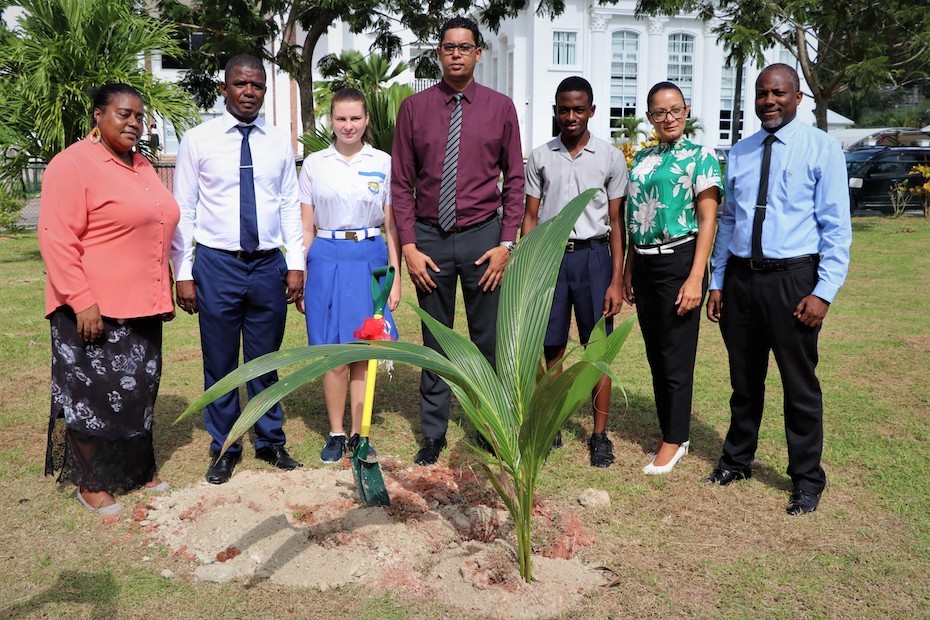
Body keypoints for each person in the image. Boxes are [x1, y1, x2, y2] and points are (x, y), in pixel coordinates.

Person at [705, 64, 852, 515]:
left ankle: (807, 480)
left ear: (797, 97)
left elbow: (836, 229)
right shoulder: (741, 152)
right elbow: (729, 219)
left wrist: (823, 292)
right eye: (762, 94)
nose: (769, 101)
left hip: (793, 280)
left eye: (778, 93)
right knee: (744, 379)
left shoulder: (822, 149)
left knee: (799, 385)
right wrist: (718, 279)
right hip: (742, 281)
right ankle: (737, 459)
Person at [39, 83, 179, 514]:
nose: (134, 123)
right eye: (123, 114)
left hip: (143, 303)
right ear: (97, 116)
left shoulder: (142, 166)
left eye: (139, 116)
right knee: (91, 396)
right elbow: (56, 238)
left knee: (138, 392)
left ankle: (137, 471)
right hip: (92, 308)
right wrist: (82, 300)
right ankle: (92, 483)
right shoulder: (72, 165)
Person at [392, 16, 524, 465]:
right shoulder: (414, 108)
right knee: (436, 340)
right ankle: (433, 432)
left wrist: (507, 244)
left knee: (487, 340)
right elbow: (400, 184)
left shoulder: (500, 107)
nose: (456, 54)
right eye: (448, 47)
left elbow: (516, 181)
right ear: (438, 54)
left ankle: (490, 425)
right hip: (428, 240)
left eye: (464, 47)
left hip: (484, 240)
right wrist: (408, 246)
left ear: (478, 54)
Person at [171, 54, 305, 485]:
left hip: (268, 265)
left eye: (257, 86)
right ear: (224, 88)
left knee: (266, 359)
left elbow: (288, 204)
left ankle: (270, 441)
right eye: (240, 84)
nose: (249, 92)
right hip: (217, 264)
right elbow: (184, 210)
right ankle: (225, 446)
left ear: (264, 91)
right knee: (221, 361)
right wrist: (183, 271)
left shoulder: (277, 141)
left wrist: (295, 263)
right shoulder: (198, 140)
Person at [522, 76, 627, 467]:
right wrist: (531, 265)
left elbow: (617, 224)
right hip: (551, 259)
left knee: (597, 347)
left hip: (594, 257)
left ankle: (600, 435)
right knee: (552, 347)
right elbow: (530, 217)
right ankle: (551, 422)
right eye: (564, 109)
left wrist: (616, 280)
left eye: (579, 109)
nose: (571, 116)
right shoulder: (541, 156)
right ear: (555, 110)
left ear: (592, 111)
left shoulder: (610, 157)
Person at [622, 81, 722, 475]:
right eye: (660, 112)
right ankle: (672, 429)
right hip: (645, 263)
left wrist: (696, 277)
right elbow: (634, 218)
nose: (669, 118)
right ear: (650, 117)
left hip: (680, 260)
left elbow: (707, 219)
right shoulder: (642, 159)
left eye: (676, 109)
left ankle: (675, 439)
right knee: (656, 353)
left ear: (687, 110)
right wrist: (630, 268)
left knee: (676, 355)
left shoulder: (701, 157)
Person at [297, 88, 401, 463]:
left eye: (355, 118)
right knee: (333, 353)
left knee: (363, 350)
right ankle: (336, 432)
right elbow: (306, 228)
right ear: (331, 120)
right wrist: (305, 276)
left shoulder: (384, 162)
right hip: (326, 258)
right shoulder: (314, 164)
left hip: (370, 257)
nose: (348, 125)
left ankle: (360, 434)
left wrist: (396, 277)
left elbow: (392, 227)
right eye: (341, 118)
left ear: (366, 120)